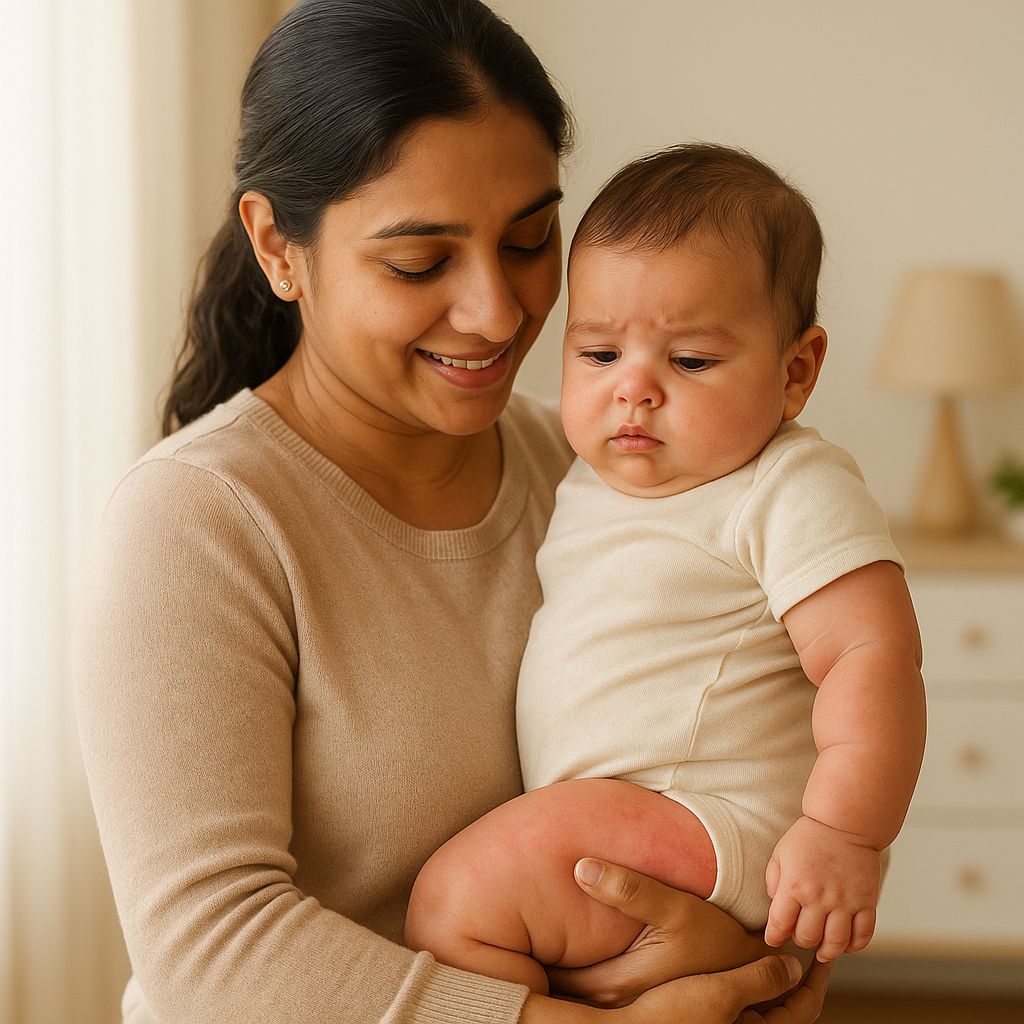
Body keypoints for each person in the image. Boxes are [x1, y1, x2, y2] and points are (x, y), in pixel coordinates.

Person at [73, 2, 831, 1023]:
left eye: (528, 240)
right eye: (419, 262)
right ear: (278, 245)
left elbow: (772, 757)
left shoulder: (606, 473)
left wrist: (754, 957)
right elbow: (211, 955)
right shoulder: (198, 521)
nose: (497, 311)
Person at [405, 144, 927, 992]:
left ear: (795, 372)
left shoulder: (788, 484)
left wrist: (844, 834)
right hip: (639, 815)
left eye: (690, 362)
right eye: (599, 355)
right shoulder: (590, 475)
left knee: (455, 904)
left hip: (713, 820)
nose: (634, 390)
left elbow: (873, 657)